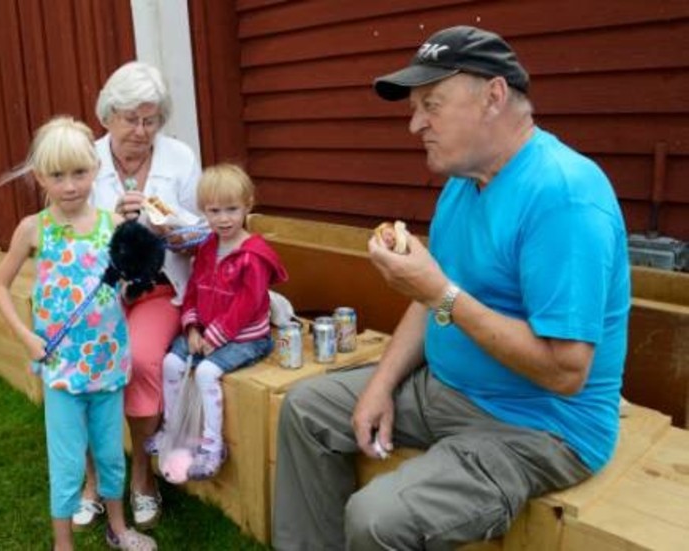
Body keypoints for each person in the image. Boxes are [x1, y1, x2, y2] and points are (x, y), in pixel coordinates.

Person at [273, 25, 630, 550]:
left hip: (538, 427)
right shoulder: (464, 184)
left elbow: (565, 370)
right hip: (447, 388)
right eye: (414, 107)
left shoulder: (564, 195)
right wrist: (380, 385)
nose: (416, 124)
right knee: (305, 408)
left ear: (493, 96)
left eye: (431, 104)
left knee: (377, 518)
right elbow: (431, 298)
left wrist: (440, 292)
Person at [0, 117, 157, 551]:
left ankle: (118, 528)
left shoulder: (110, 226)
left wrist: (139, 257)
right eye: (57, 176)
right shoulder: (34, 229)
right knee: (66, 463)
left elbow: (123, 284)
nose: (68, 186)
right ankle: (62, 545)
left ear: (96, 170)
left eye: (79, 173)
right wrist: (27, 338)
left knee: (108, 454)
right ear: (40, 176)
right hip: (62, 369)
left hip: (108, 365)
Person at [76, 61, 206, 530]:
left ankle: (141, 475)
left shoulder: (179, 157)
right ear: (108, 114)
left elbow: (203, 230)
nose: (141, 130)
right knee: (89, 366)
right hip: (99, 287)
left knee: (145, 360)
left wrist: (172, 230)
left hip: (159, 286)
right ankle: (91, 481)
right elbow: (66, 234)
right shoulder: (84, 160)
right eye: (131, 118)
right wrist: (110, 220)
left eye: (150, 120)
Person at [156, 163, 287, 479]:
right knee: (170, 365)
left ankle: (212, 447)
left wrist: (214, 335)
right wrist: (191, 326)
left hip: (246, 338)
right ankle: (175, 432)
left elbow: (249, 303)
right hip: (206, 332)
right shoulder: (206, 247)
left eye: (232, 209)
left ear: (248, 206)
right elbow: (194, 290)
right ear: (203, 211)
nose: (224, 218)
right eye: (214, 211)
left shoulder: (252, 255)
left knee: (205, 372)